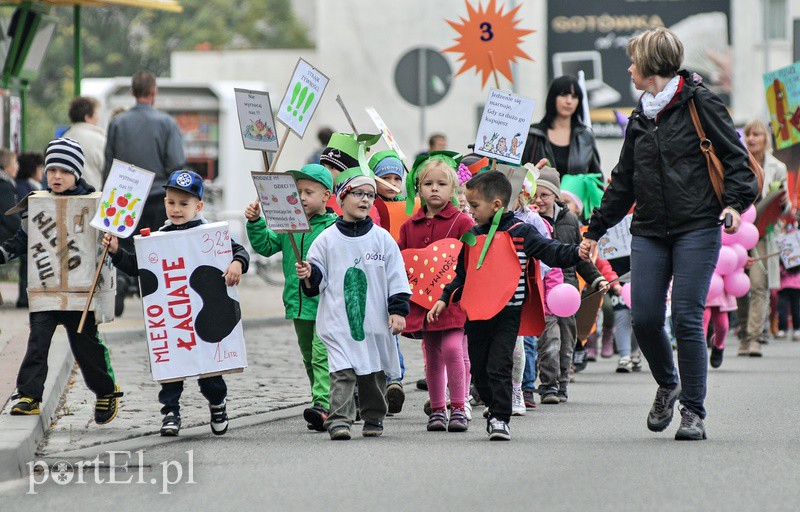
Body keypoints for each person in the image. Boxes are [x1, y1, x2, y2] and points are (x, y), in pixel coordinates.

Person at [581, 28, 758, 441]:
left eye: (634, 61)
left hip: (697, 226)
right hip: (649, 230)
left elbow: (738, 161)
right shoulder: (641, 115)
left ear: (651, 65)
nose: (629, 69)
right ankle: (668, 383)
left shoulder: (700, 102)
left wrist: (733, 204)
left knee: (685, 316)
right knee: (643, 316)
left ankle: (693, 411)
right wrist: (595, 230)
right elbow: (624, 180)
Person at [429, 171, 585, 440]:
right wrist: (444, 298)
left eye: (475, 205)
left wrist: (576, 252)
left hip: (508, 313)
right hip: (476, 314)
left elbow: (552, 251)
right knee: (479, 370)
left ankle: (500, 418)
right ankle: (494, 404)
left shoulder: (521, 232)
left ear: (496, 205)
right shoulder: (472, 236)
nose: (470, 211)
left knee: (499, 365)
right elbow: (462, 275)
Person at [103, 170, 250, 436]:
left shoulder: (209, 234)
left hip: (205, 316)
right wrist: (116, 252)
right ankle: (170, 411)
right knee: (171, 366)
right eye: (171, 202)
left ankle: (218, 403)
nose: (176, 209)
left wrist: (237, 264)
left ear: (199, 206)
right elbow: (137, 267)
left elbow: (238, 251)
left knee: (210, 370)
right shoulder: (158, 237)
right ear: (165, 202)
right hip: (173, 316)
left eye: (184, 204)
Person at [6, 138, 122, 424]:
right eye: (51, 169)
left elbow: (115, 240)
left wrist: (114, 244)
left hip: (82, 292)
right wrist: (3, 252)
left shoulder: (95, 204)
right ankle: (29, 396)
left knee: (86, 347)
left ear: (77, 173)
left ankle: (106, 390)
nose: (56, 176)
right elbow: (23, 239)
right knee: (37, 342)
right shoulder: (36, 204)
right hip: (44, 289)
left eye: (65, 171)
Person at [296, 165, 411, 441]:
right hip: (338, 319)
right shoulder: (326, 239)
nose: (365, 200)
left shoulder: (382, 239)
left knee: (372, 373)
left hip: (374, 320)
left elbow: (396, 276)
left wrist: (397, 310)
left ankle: (373, 417)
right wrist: (310, 274)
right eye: (358, 193)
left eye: (370, 195)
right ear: (342, 197)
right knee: (342, 371)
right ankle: (339, 420)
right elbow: (317, 278)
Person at [244, 164, 338, 432]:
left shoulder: (334, 228)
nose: (302, 197)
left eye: (309, 192)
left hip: (325, 304)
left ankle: (323, 404)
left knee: (321, 355)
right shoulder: (289, 224)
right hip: (298, 303)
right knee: (309, 357)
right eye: (298, 192)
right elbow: (265, 245)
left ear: (326, 196)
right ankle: (326, 402)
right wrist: (256, 222)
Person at [399, 152, 473, 432]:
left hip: (454, 301)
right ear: (418, 188)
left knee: (453, 349)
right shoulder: (409, 226)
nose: (434, 189)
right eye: (428, 184)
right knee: (432, 356)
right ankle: (437, 409)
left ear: (453, 189)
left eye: (441, 184)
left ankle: (458, 406)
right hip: (423, 303)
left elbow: (472, 259)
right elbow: (402, 261)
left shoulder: (463, 223)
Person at [534, 167, 606, 403]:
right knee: (549, 340)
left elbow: (580, 257)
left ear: (555, 195)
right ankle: (548, 386)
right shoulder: (532, 220)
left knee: (567, 341)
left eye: (545, 195)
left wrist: (597, 279)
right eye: (535, 195)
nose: (539, 200)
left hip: (568, 292)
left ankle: (562, 383)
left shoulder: (570, 220)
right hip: (544, 291)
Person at [103, 71, 186, 232]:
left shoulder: (117, 123)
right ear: (154, 91)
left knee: (127, 247)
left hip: (125, 200)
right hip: (158, 199)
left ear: (132, 92)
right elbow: (176, 163)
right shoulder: (167, 123)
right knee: (157, 245)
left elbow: (109, 165)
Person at [737, 119, 789, 357]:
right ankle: (743, 335)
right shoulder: (737, 162)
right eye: (748, 134)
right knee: (740, 285)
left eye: (756, 134)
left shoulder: (777, 167)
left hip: (763, 233)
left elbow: (784, 205)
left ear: (765, 138)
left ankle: (755, 337)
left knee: (759, 285)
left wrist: (784, 203)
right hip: (738, 233)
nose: (751, 139)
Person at [522, 75, 601, 177]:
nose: (569, 101)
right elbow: (519, 175)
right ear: (553, 98)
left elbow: (596, 178)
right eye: (564, 95)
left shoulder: (585, 136)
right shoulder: (534, 134)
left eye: (574, 96)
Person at [13, 152, 43, 308]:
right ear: (32, 169)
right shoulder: (23, 188)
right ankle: (25, 297)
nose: (43, 171)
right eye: (40, 167)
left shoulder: (30, 186)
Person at [63, 96, 106, 190]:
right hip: (93, 195)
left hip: (67, 195)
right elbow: (108, 170)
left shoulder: (64, 138)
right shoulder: (98, 140)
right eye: (96, 114)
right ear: (87, 117)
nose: (98, 118)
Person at [0, 149, 21, 243]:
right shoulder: (4, 187)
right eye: (15, 162)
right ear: (6, 166)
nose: (18, 167)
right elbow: (10, 216)